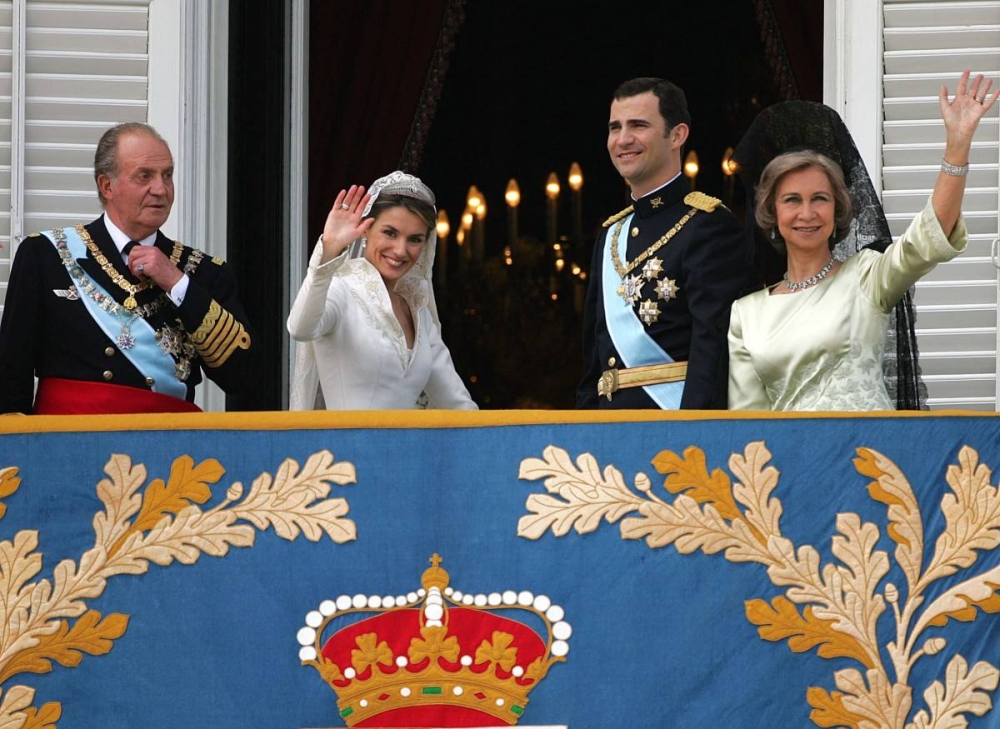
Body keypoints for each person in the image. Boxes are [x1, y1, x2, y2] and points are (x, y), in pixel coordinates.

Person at [728, 70, 997, 411]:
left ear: (839, 208)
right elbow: (748, 423)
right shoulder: (746, 313)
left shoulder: (868, 277)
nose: (807, 213)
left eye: (820, 199)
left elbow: (929, 237)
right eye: (792, 200)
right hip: (795, 462)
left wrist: (958, 147)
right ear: (772, 212)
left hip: (870, 455)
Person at [0, 122, 259, 414]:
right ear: (107, 186)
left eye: (167, 175)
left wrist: (177, 284)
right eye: (144, 176)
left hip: (167, 449)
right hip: (69, 447)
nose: (161, 189)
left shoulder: (202, 271)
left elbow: (243, 376)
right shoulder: (46, 255)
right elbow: (10, 378)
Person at [576, 77, 750, 409]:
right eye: (615, 128)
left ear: (677, 135)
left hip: (672, 433)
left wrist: (689, 436)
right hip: (606, 437)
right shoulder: (610, 236)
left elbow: (712, 352)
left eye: (638, 125)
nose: (623, 139)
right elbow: (592, 366)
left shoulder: (709, 226)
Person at [287, 171, 476, 410]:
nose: (400, 250)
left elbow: (458, 404)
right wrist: (329, 252)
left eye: (415, 239)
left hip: (407, 448)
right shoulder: (339, 289)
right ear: (365, 229)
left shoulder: (418, 312)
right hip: (346, 447)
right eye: (390, 233)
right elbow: (300, 328)